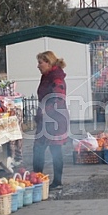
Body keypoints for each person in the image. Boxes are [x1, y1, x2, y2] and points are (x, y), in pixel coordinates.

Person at [33, 51, 70, 190]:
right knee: (38, 148)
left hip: (55, 120)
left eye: (40, 63)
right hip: (45, 120)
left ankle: (57, 181)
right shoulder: (46, 76)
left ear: (48, 63)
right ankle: (37, 179)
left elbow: (58, 98)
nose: (38, 66)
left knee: (55, 149)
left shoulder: (56, 78)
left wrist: (45, 110)